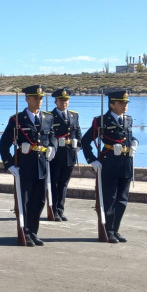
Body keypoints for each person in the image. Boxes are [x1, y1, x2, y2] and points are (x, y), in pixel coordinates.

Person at [0, 84, 57, 247]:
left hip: (42, 166)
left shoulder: (48, 118)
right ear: (27, 99)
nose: (39, 101)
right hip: (24, 167)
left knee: (39, 202)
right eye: (35, 98)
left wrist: (53, 147)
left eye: (41, 98)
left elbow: (52, 137)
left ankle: (33, 232)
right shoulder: (17, 120)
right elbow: (4, 145)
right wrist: (9, 165)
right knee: (23, 202)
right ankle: (23, 232)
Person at [81, 89, 139, 243]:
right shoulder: (101, 121)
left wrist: (135, 142)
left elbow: (129, 136)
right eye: (121, 102)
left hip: (126, 163)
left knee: (122, 200)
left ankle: (116, 229)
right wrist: (92, 160)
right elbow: (85, 141)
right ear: (112, 104)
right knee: (110, 199)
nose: (125, 105)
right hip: (109, 164)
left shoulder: (128, 120)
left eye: (126, 102)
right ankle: (108, 231)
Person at [48, 87, 81, 221]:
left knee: (64, 184)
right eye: (61, 100)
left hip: (70, 153)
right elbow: (48, 135)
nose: (64, 103)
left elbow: (78, 132)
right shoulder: (49, 116)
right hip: (56, 154)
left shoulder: (74, 115)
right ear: (56, 102)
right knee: (55, 183)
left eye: (66, 100)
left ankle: (61, 210)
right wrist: (53, 144)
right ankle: (53, 210)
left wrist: (78, 146)